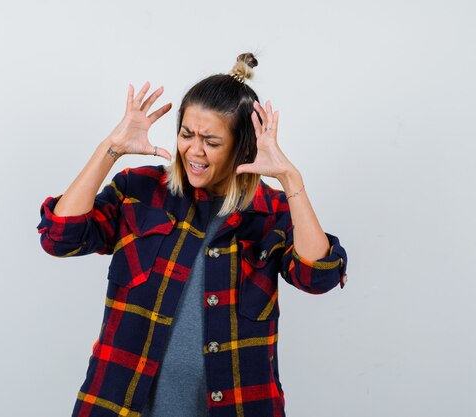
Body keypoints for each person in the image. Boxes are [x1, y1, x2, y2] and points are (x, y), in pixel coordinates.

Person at [36, 52, 348, 417]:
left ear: (242, 147)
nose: (193, 151)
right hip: (121, 405)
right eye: (186, 134)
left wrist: (291, 179)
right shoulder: (140, 191)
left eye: (211, 142)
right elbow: (59, 237)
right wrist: (111, 150)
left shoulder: (272, 213)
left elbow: (318, 276)